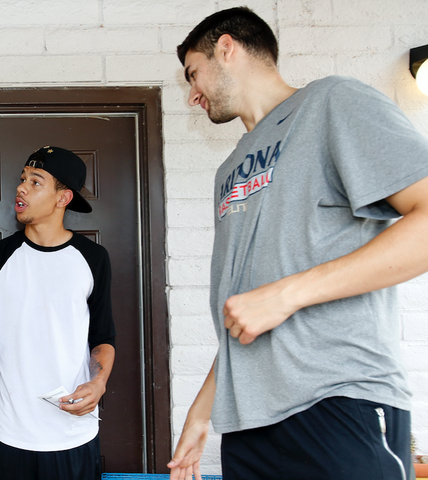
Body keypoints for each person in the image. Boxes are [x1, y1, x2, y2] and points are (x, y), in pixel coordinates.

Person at [168, 7, 428, 480]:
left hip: (337, 401)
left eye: (193, 74)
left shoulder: (332, 102)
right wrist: (203, 411)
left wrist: (288, 294)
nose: (191, 95)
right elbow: (246, 309)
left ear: (226, 49)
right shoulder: (229, 170)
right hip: (249, 426)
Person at [0, 146, 116, 480]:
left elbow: (102, 336)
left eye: (36, 181)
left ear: (63, 198)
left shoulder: (93, 258)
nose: (21, 187)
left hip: (74, 434)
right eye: (22, 179)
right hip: (11, 434)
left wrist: (99, 382)